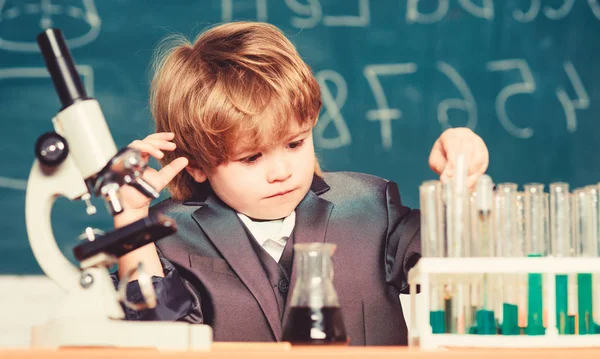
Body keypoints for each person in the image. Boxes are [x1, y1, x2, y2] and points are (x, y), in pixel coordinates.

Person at [113, 21, 489, 345]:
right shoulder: (163, 237)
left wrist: (464, 183)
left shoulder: (371, 207)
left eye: (295, 143)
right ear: (196, 164)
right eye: (251, 157)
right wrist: (131, 218)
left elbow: (461, 263)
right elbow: (155, 335)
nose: (281, 171)